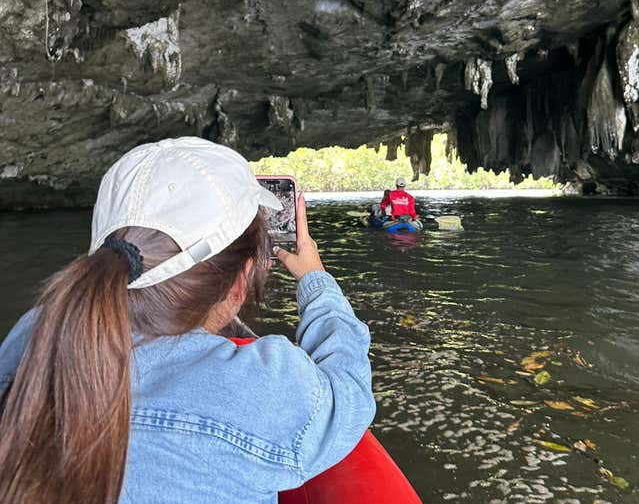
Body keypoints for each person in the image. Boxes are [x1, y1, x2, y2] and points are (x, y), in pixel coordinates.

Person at [0, 137, 375, 504]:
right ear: (239, 282)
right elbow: (350, 391)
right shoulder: (263, 387)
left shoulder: (36, 332)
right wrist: (315, 279)